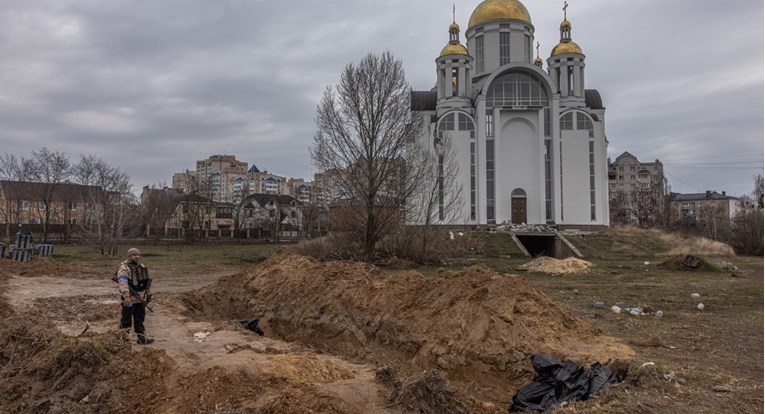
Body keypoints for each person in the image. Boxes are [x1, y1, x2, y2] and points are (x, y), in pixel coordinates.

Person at [116, 247, 154, 344]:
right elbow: (122, 282)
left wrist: (148, 294)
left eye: (138, 255)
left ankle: (141, 338)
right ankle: (122, 338)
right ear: (129, 256)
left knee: (139, 318)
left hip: (140, 297)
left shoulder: (141, 266)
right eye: (134, 255)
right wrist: (126, 297)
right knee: (126, 319)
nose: (137, 257)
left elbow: (146, 281)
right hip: (130, 298)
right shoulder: (124, 268)